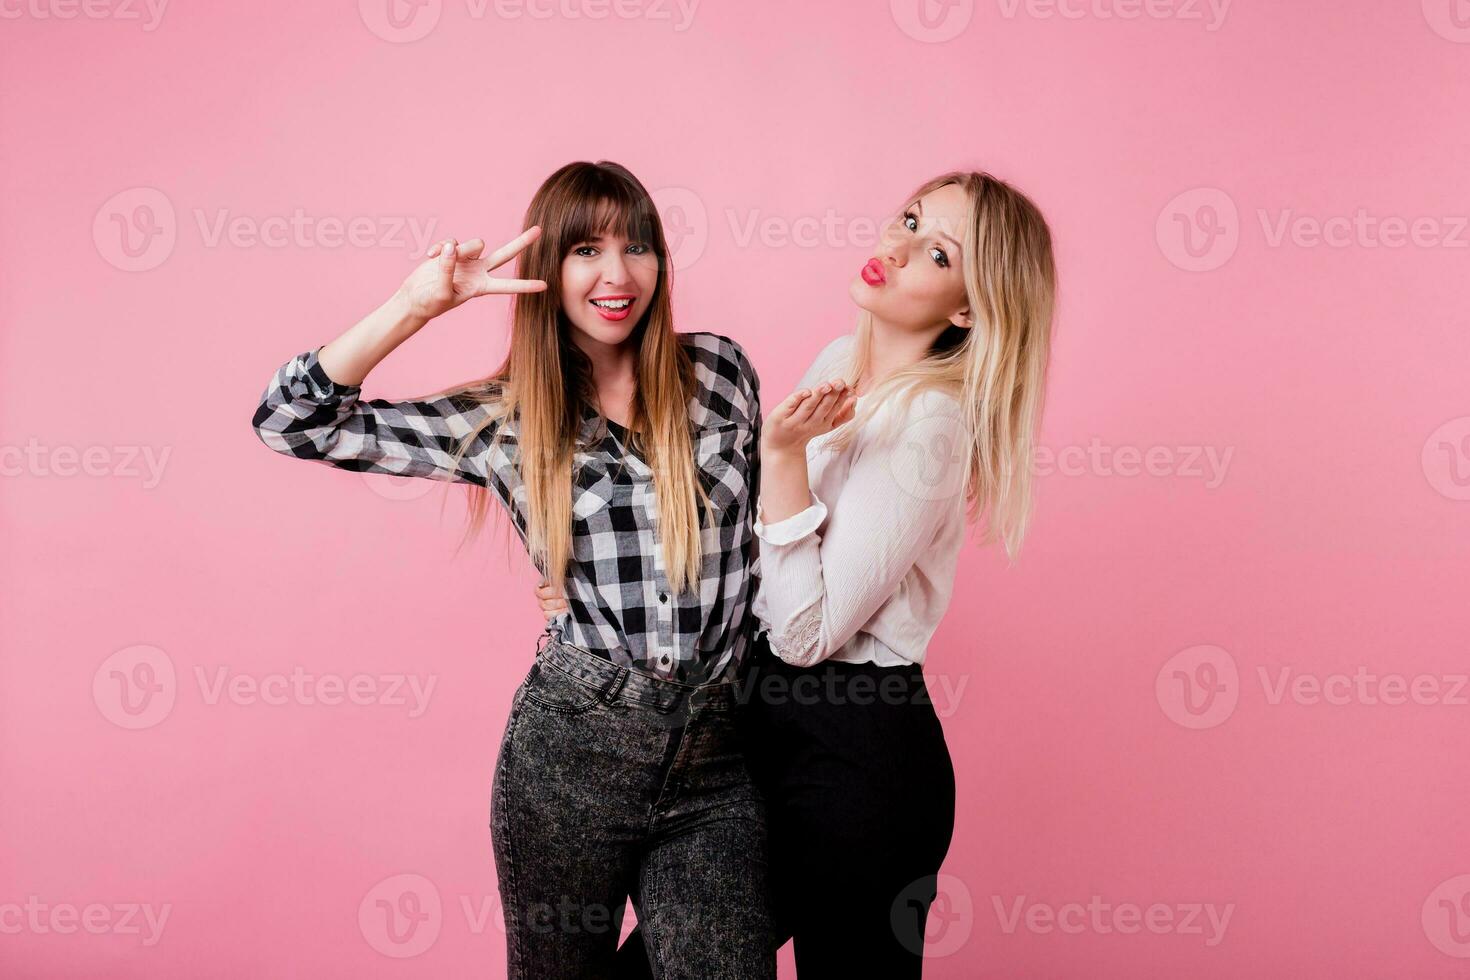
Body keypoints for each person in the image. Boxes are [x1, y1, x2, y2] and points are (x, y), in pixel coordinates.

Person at [251, 161, 775, 980]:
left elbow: (766, 549)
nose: (617, 274)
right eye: (586, 251)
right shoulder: (502, 419)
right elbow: (293, 421)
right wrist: (417, 306)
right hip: (571, 756)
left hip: (717, 758)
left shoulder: (721, 374)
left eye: (638, 246)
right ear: (547, 271)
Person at [537, 170, 1057, 978]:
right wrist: (591, 582)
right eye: (908, 218)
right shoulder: (837, 362)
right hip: (760, 728)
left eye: (937, 252)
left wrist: (780, 461)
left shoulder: (930, 424)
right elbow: (751, 553)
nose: (897, 245)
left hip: (858, 747)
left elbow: (808, 632)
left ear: (967, 306)